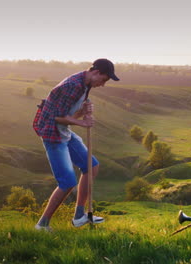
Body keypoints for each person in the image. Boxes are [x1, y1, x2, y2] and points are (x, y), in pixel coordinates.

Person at [32, 58, 120, 231]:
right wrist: (82, 123)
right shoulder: (72, 86)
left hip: (64, 132)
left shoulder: (85, 85)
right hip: (53, 134)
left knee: (92, 166)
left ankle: (79, 216)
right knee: (67, 182)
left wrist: (83, 112)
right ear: (96, 72)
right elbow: (55, 117)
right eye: (103, 80)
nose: (102, 85)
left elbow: (69, 114)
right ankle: (42, 225)